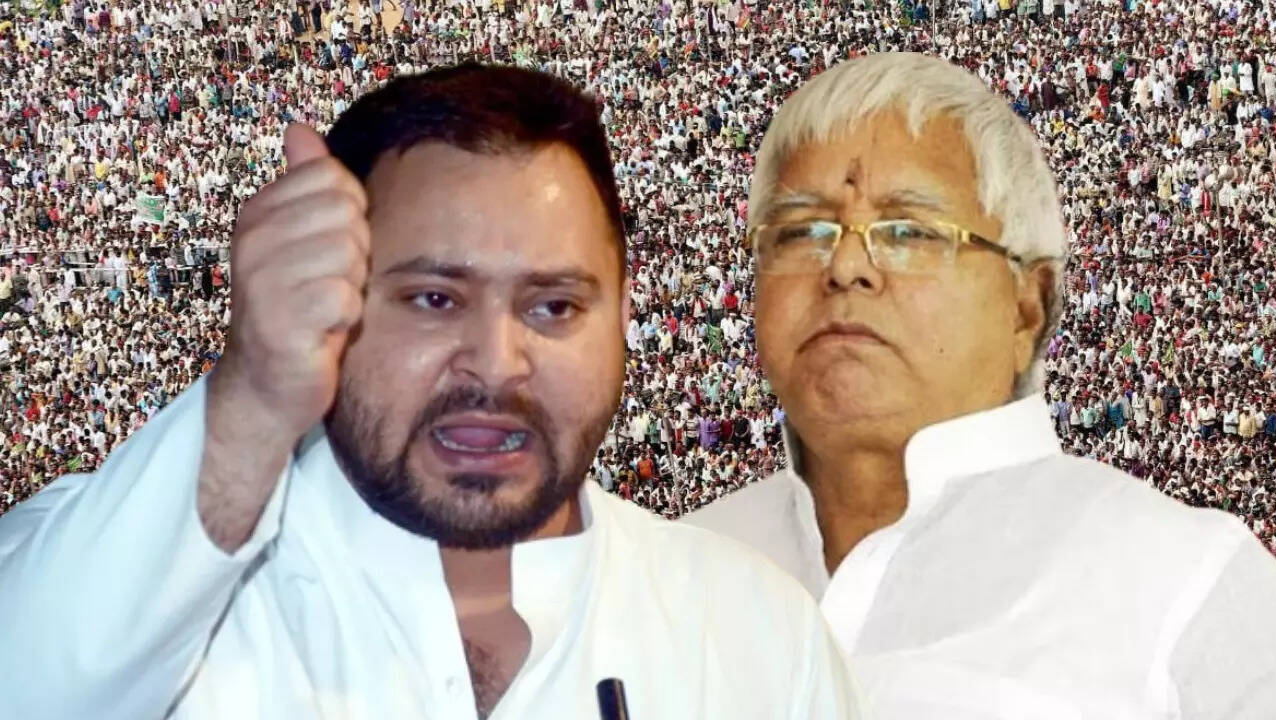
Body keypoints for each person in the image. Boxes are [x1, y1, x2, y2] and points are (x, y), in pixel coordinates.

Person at [0, 66, 858, 720]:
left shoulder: (756, 638)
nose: (496, 363)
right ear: (332, 299)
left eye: (554, 306)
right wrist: (251, 398)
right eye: (434, 299)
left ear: (624, 314)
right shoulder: (154, 587)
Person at [685, 52, 1276, 718]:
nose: (846, 264)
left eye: (909, 231)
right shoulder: (664, 574)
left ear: (1027, 306)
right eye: (801, 232)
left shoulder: (1185, 585)